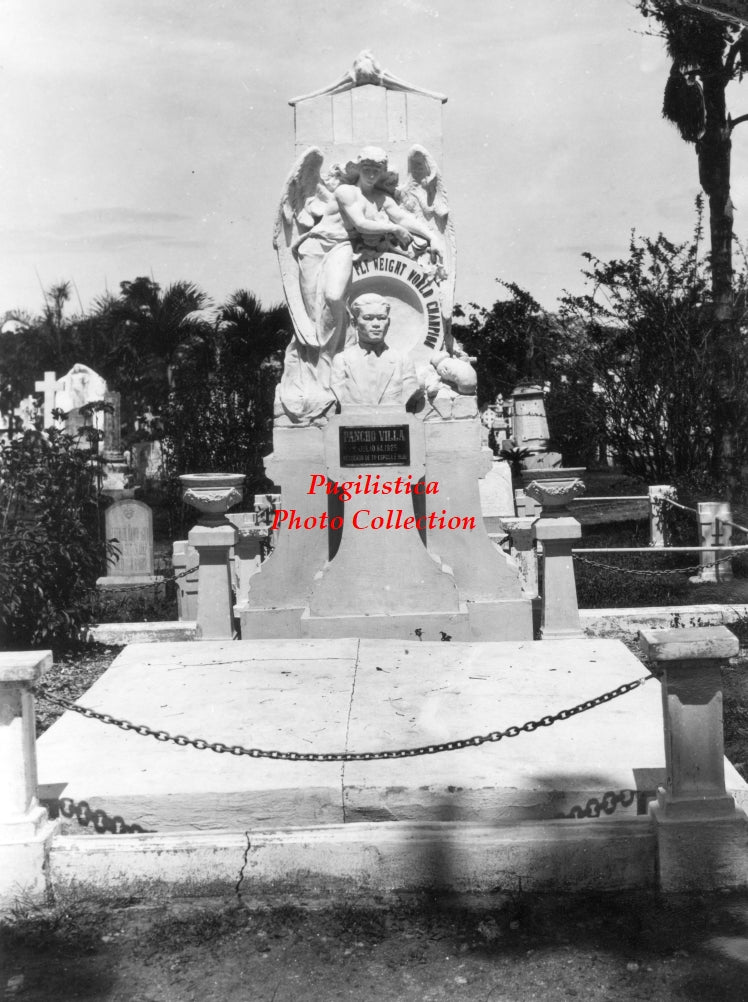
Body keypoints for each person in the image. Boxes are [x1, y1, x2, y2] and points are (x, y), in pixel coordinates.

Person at [278, 148, 441, 423]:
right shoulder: (345, 192)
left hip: (342, 246)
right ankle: (319, 376)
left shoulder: (381, 198)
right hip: (317, 248)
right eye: (366, 165)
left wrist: (429, 236)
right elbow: (361, 223)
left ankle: (332, 368)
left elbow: (404, 218)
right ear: (358, 167)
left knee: (333, 296)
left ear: (383, 171)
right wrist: (393, 230)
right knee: (316, 315)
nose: (371, 171)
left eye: (377, 167)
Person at [331, 293, 421, 409]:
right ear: (355, 323)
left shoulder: (403, 361)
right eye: (368, 318)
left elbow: (410, 389)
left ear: (388, 323)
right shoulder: (341, 361)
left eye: (381, 318)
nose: (376, 324)